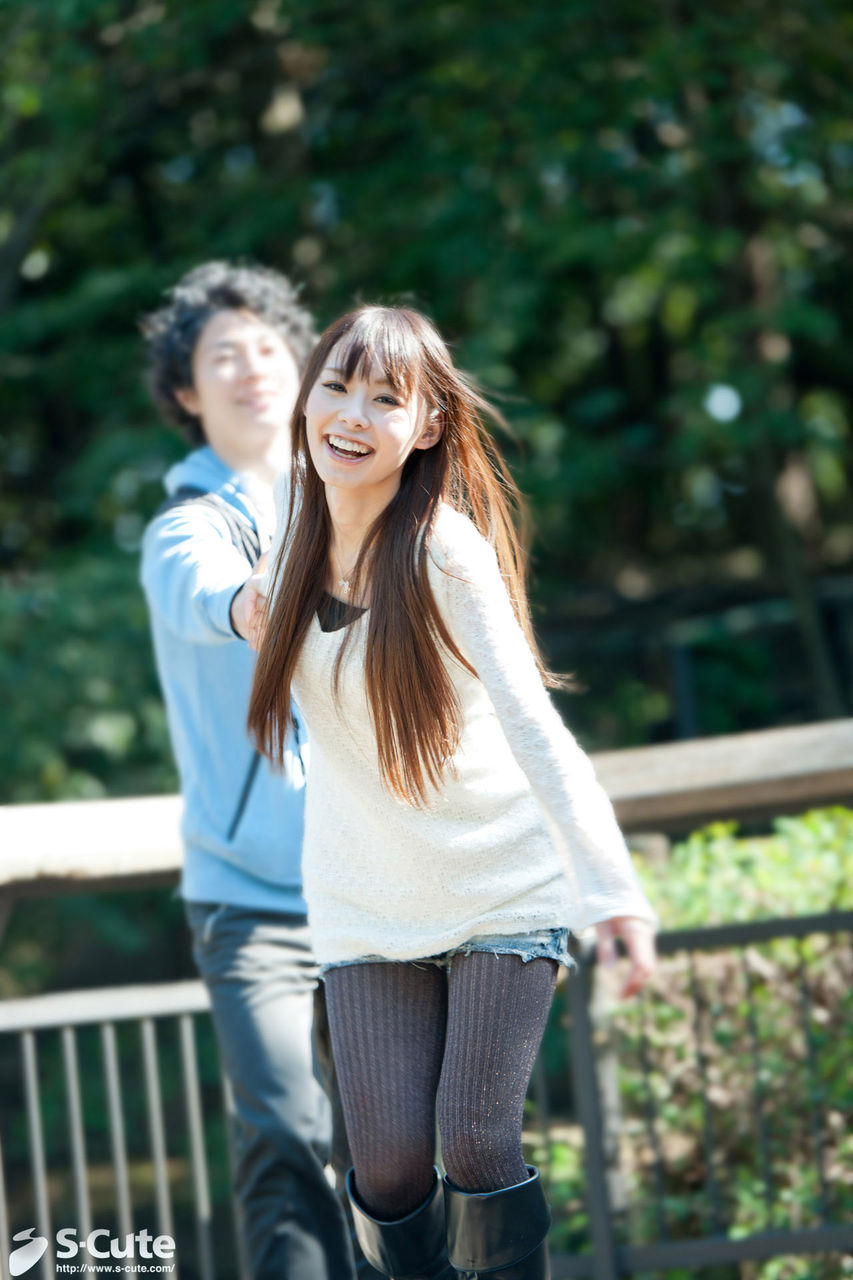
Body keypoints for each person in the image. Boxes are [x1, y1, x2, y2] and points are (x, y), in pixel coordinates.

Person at [245, 304, 658, 1280]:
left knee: (474, 1142)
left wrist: (613, 891)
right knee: (386, 1169)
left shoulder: (444, 550)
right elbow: (233, 604)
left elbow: (535, 730)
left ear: (427, 425)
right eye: (336, 386)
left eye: (384, 399)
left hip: (497, 882)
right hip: (365, 898)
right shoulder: (289, 537)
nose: (352, 414)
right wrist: (233, 605)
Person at [138, 262, 359, 1280]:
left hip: (377, 877)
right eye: (223, 355)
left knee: (402, 1146)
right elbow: (200, 588)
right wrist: (248, 606)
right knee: (285, 1134)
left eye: (270, 347)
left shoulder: (359, 499)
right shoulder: (185, 523)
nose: (252, 367)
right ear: (187, 390)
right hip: (252, 899)